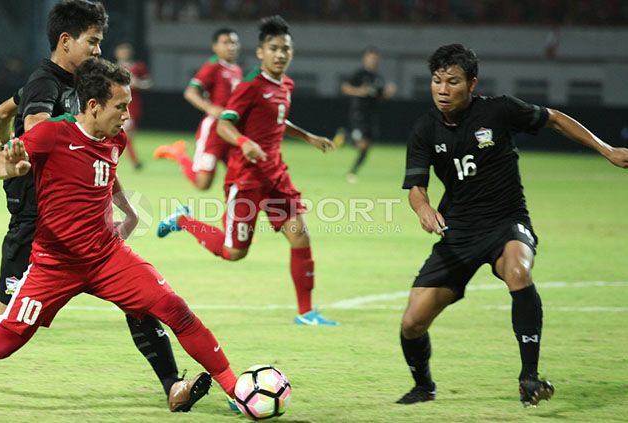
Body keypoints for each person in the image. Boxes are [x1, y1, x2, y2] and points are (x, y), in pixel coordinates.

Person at [0, 0, 205, 411]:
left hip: (79, 228)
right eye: (93, 42)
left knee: (139, 300)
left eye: (100, 42)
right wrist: (15, 159)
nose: (99, 50)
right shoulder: (46, 83)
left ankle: (172, 385)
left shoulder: (82, 84)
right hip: (36, 223)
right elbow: (38, 130)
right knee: (2, 326)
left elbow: (3, 112)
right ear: (65, 40)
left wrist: (5, 144)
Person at [397, 43, 628, 406]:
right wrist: (423, 208)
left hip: (507, 221)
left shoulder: (499, 111)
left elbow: (552, 117)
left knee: (518, 271)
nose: (443, 89)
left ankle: (529, 378)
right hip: (458, 233)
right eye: (437, 81)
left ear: (472, 84)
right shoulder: (425, 128)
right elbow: (416, 187)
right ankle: (423, 386)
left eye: (453, 82)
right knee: (413, 322)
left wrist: (606, 149)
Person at [156, 16, 339, 326]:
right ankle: (183, 220)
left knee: (299, 236)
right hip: (247, 179)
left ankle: (306, 313)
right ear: (260, 53)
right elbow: (225, 124)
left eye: (285, 49)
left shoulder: (286, 85)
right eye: (273, 48)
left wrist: (308, 137)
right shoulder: (250, 86)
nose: (280, 54)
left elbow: (278, 122)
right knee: (234, 253)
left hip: (276, 175)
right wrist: (244, 142)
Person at [153, 28, 243, 191]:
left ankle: (236, 214)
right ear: (215, 47)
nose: (231, 46)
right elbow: (190, 92)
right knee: (203, 184)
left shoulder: (236, 69)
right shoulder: (213, 66)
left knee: (242, 177)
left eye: (234, 43)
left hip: (231, 131)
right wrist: (210, 108)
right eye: (226, 43)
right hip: (214, 131)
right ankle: (178, 154)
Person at [340, 46, 396, 183]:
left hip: (372, 115)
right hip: (359, 112)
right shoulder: (359, 74)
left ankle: (353, 171)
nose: (373, 60)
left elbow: (380, 97)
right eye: (371, 57)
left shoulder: (378, 78)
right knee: (362, 144)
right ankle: (346, 138)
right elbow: (345, 88)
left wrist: (388, 93)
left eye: (375, 58)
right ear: (365, 58)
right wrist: (359, 91)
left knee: (367, 146)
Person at [114, 42, 150, 170]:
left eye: (126, 51)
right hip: (114, 105)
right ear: (117, 53)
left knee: (128, 134)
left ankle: (127, 160)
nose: (124, 53)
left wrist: (137, 83)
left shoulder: (138, 67)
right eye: (121, 50)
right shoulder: (111, 68)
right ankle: (134, 162)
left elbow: (148, 83)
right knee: (122, 134)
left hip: (132, 104)